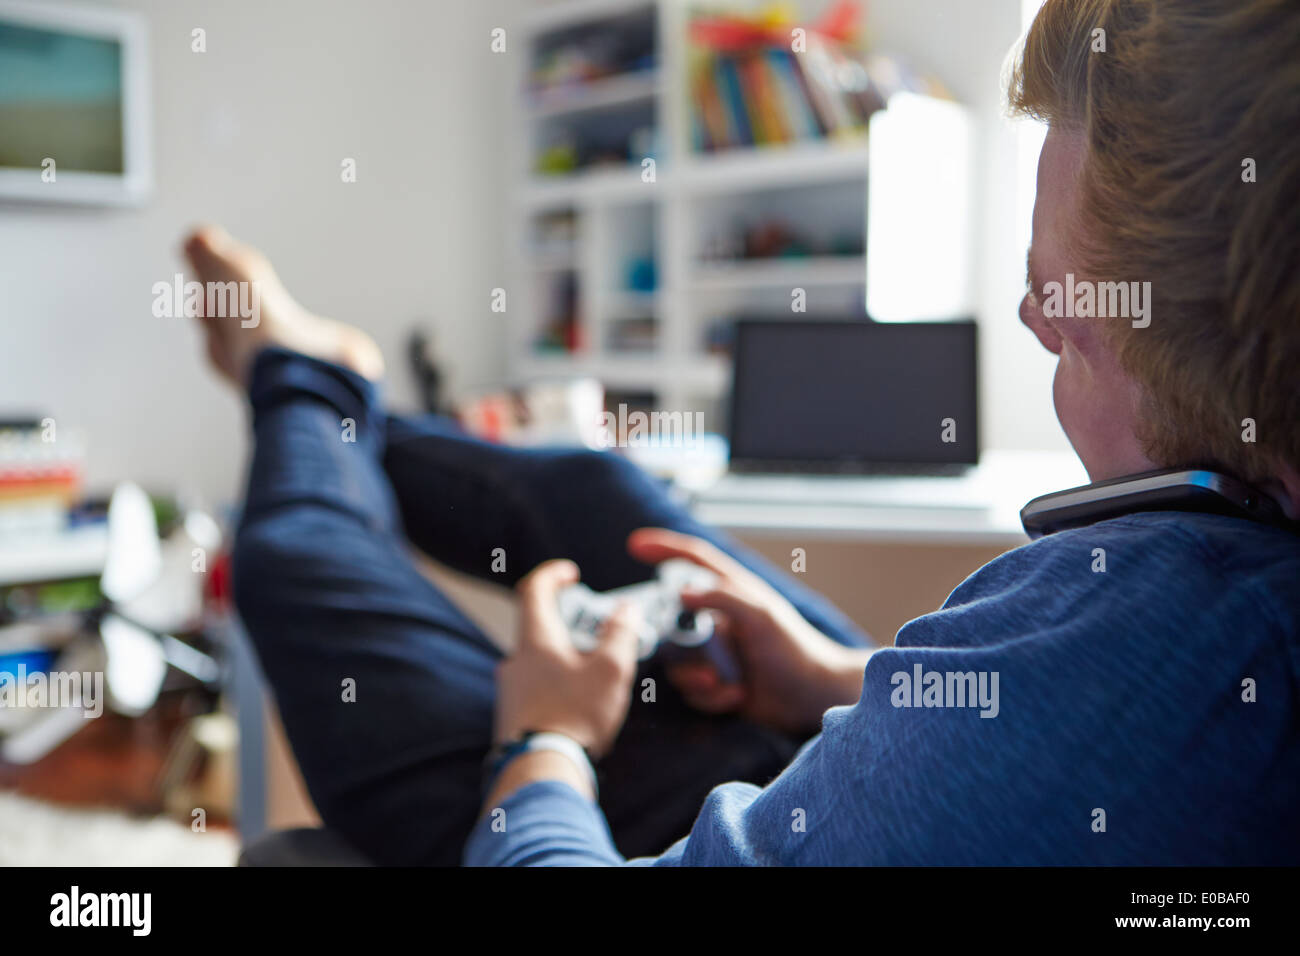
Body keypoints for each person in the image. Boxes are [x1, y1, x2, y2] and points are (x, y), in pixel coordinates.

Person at [191, 0, 1299, 866]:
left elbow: (1071, 730)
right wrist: (829, 675)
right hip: (834, 767)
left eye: (1057, 307)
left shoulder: (1171, 629)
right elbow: (1026, 738)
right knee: (598, 491)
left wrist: (544, 737)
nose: (1028, 317)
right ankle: (334, 397)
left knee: (292, 556)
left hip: (644, 823)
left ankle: (305, 383)